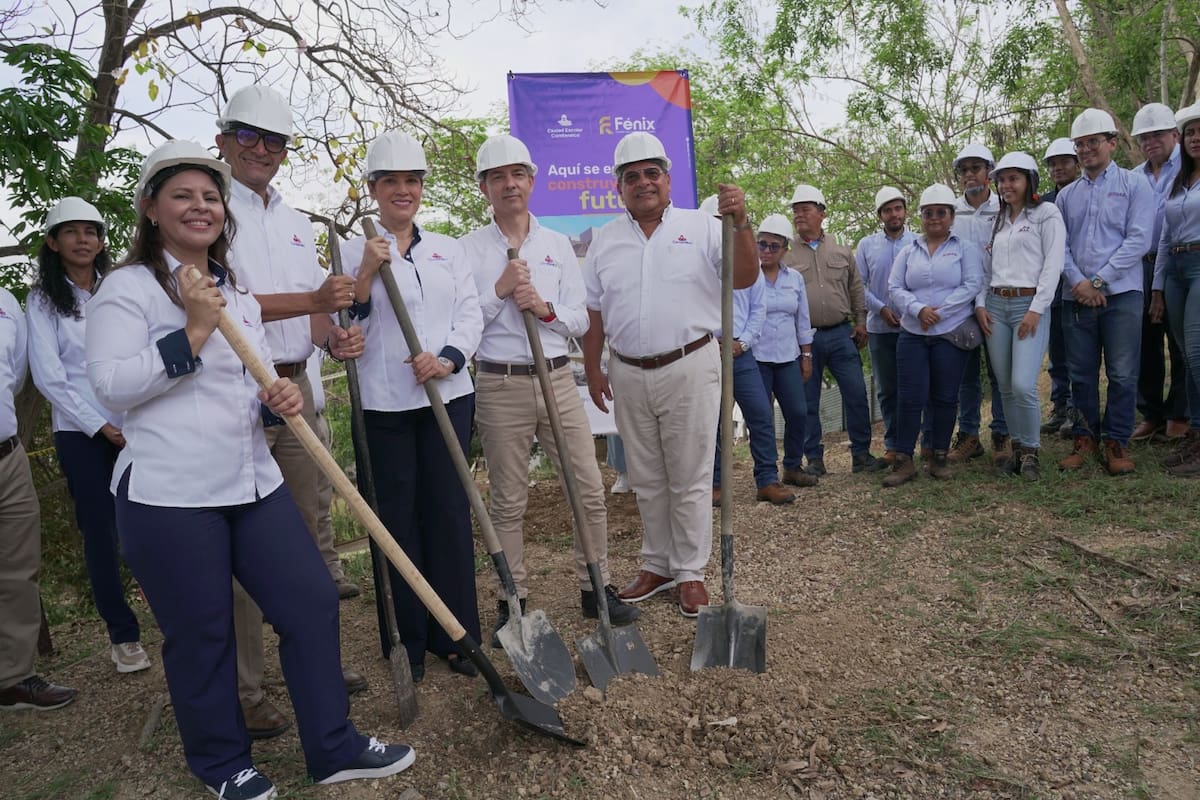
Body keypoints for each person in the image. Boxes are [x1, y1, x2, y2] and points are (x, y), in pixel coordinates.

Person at [86, 140, 412, 799]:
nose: (200, 206)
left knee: (312, 601)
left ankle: (333, 745)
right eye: (182, 195)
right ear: (150, 209)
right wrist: (195, 332)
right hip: (171, 497)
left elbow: (245, 381)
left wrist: (276, 398)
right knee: (203, 632)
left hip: (252, 480)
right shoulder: (124, 290)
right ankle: (222, 763)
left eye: (210, 196)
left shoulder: (232, 287)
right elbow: (112, 388)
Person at [214, 85, 365, 740]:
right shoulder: (206, 210)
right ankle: (247, 692)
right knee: (241, 554)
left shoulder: (296, 220)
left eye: (274, 140)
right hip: (235, 398)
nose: (262, 150)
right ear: (223, 139)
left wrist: (332, 333)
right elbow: (224, 304)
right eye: (248, 135)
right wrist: (309, 300)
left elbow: (317, 305)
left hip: (300, 389)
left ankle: (316, 669)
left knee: (313, 542)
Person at [459, 134, 640, 646]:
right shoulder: (468, 250)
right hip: (501, 381)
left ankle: (596, 585)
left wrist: (544, 308)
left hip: (557, 378)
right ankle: (511, 597)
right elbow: (465, 323)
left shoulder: (557, 246)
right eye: (498, 177)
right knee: (509, 500)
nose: (509, 184)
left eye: (518, 174)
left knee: (586, 485)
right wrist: (499, 290)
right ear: (484, 187)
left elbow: (581, 319)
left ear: (532, 181)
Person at [581, 132, 759, 618]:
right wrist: (595, 368)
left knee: (691, 474)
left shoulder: (703, 226)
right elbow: (595, 313)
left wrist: (741, 224)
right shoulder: (604, 240)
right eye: (631, 176)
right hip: (629, 371)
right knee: (646, 476)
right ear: (618, 186)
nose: (643, 182)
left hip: (690, 364)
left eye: (651, 173)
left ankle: (691, 573)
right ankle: (657, 565)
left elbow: (743, 277)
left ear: (668, 178)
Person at [341, 130, 483, 679]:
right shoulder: (353, 254)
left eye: (412, 181)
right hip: (384, 406)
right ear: (373, 189)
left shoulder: (449, 248)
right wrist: (366, 277)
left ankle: (457, 634)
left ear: (422, 188)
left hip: (447, 396)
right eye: (391, 182)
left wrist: (447, 358)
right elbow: (344, 330)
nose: (403, 191)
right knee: (396, 519)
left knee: (448, 512)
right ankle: (409, 639)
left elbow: (469, 314)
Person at [27, 197, 149, 674]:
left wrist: (129, 420)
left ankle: (176, 609)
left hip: (136, 422)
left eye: (92, 231)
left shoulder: (118, 287)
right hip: (82, 435)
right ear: (53, 243)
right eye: (72, 231)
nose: (83, 240)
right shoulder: (42, 300)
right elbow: (49, 377)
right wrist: (102, 426)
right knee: (100, 533)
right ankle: (123, 635)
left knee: (154, 517)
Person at [1056, 108, 1156, 475]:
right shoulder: (1067, 196)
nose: (1085, 150)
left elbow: (1138, 239)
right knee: (1080, 373)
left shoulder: (1134, 185)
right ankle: (1084, 439)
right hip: (1076, 296)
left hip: (1123, 295)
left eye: (1092, 142)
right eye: (1079, 144)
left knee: (1123, 372)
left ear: (1111, 143)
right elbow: (1060, 246)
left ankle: (1116, 441)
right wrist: (1079, 283)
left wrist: (1098, 281)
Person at [0, 287, 78, 712]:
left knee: (18, 568)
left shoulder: (6, 304)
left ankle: (13, 677)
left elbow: (13, 373)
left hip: (7, 455)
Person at [696, 196, 795, 506]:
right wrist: (710, 341)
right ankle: (714, 484)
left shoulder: (747, 262)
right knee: (711, 421)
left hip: (741, 353)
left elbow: (758, 309)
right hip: (705, 351)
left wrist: (742, 343)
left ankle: (767, 480)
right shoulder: (694, 266)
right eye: (714, 224)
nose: (719, 231)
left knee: (761, 415)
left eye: (724, 225)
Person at [883, 184, 984, 486]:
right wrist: (917, 309)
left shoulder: (964, 248)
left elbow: (972, 284)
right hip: (913, 333)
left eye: (941, 213)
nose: (935, 218)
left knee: (944, 397)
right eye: (929, 213)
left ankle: (939, 457)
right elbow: (894, 287)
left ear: (952, 217)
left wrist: (938, 311)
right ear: (921, 217)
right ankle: (904, 460)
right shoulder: (908, 250)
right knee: (910, 397)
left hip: (949, 332)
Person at [782, 184, 885, 476]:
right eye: (796, 211)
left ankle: (862, 455)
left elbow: (855, 286)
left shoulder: (840, 247)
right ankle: (813, 458)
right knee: (807, 401)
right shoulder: (786, 254)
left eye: (805, 209)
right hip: (805, 340)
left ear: (821, 213)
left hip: (842, 334)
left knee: (855, 393)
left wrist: (861, 322)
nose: (799, 215)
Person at [975, 152, 1066, 480]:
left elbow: (1053, 266)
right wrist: (980, 304)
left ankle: (1031, 451)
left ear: (1029, 180)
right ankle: (1016, 449)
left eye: (1013, 178)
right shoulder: (998, 220)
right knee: (1005, 386)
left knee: (1023, 383)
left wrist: (1036, 309)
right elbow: (986, 269)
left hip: (1029, 306)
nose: (1006, 185)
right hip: (996, 306)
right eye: (1001, 179)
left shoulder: (1046, 213)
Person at [945, 143, 1011, 467]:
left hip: (998, 299)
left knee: (1000, 370)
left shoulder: (1005, 207)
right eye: (964, 170)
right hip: (962, 305)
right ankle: (969, 435)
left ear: (989, 172)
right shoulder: (950, 211)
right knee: (966, 375)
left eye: (976, 168)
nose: (970, 175)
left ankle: (1002, 432)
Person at [1130, 103, 1188, 442]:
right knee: (1145, 342)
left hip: (1181, 261)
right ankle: (1151, 412)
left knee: (1180, 339)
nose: (1151, 142)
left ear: (1174, 135)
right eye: (1145, 137)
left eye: (1157, 135)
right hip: (1143, 265)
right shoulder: (1135, 177)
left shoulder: (1189, 168)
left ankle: (1179, 413)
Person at [1151, 102, 1200, 475]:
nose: (1195, 138)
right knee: (1185, 352)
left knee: (1197, 351)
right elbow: (1166, 237)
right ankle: (1194, 436)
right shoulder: (1178, 181)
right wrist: (1157, 288)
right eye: (1191, 132)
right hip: (1176, 268)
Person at [754, 213, 818, 489]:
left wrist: (806, 356)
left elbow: (802, 320)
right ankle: (766, 476)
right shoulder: (748, 276)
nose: (767, 251)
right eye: (762, 244)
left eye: (773, 246)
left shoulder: (794, 279)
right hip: (755, 357)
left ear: (784, 250)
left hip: (788, 356)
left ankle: (792, 465)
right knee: (761, 417)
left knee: (797, 411)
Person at [855, 187, 917, 463]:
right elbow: (857, 286)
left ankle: (919, 443)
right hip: (880, 329)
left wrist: (910, 310)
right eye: (888, 210)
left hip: (914, 327)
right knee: (887, 389)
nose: (894, 214)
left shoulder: (918, 242)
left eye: (898, 208)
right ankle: (893, 445)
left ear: (905, 211)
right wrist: (881, 309)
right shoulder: (867, 245)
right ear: (880, 215)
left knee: (915, 386)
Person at [1040, 138, 1081, 437]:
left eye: (1064, 161)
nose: (1058, 168)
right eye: (1053, 164)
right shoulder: (1042, 202)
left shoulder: (1085, 194)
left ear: (1077, 163)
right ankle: (1060, 406)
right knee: (1058, 353)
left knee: (1079, 352)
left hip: (1081, 284)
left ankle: (1077, 410)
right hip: (1052, 289)